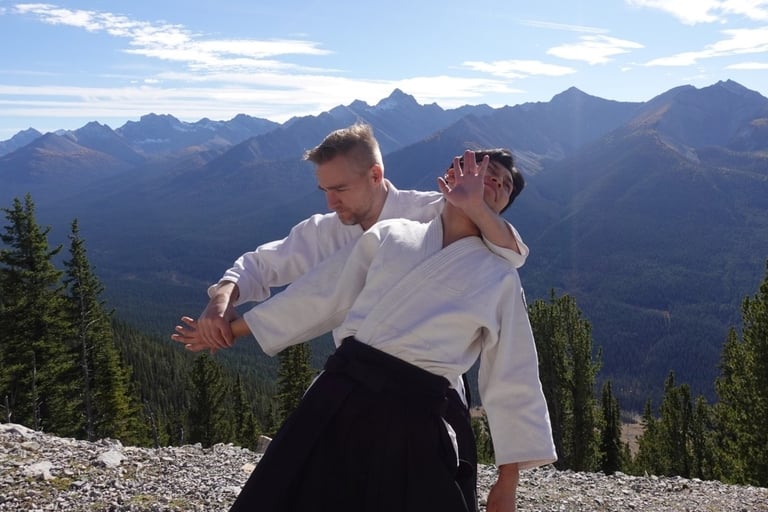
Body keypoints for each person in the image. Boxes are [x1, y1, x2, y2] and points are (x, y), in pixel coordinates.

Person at [174, 150, 556, 511]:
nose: (494, 183)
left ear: (504, 206)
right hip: (343, 393)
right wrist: (233, 330)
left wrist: (507, 482)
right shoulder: (392, 233)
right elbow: (322, 295)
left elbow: (513, 374)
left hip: (421, 411)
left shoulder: (500, 277)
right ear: (452, 177)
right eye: (484, 171)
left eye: (504, 184)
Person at [195, 123, 527, 352]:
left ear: (375, 175)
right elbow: (261, 264)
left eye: (340, 189)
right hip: (354, 369)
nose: (330, 202)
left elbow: (510, 251)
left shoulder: (436, 211)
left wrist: (479, 206)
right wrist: (222, 299)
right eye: (324, 190)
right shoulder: (325, 230)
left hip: (428, 380)